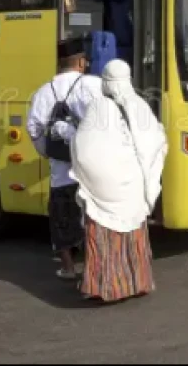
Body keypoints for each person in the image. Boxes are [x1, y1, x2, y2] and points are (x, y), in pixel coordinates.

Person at [70, 59, 168, 303]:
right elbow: (157, 140)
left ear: (106, 81)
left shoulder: (99, 107)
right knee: (133, 233)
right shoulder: (140, 105)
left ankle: (106, 288)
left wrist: (69, 137)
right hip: (133, 184)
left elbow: (84, 149)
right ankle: (137, 282)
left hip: (106, 188)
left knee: (104, 235)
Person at [27, 37, 103, 280]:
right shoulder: (93, 85)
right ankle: (93, 267)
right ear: (81, 62)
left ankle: (69, 268)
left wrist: (48, 152)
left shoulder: (43, 91)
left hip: (61, 172)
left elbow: (34, 129)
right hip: (90, 169)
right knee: (93, 217)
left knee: (61, 218)